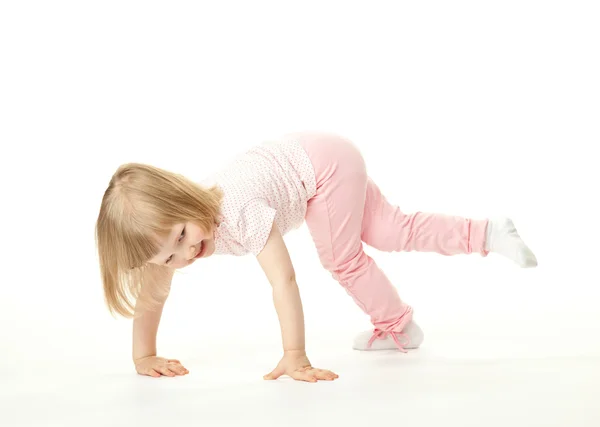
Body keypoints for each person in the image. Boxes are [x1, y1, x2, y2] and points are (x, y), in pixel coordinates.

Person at [95, 131, 538, 383]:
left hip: (322, 172)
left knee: (341, 259)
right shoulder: (175, 241)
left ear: (185, 199)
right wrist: (143, 356)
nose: (187, 254)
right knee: (391, 229)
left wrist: (295, 355)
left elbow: (283, 281)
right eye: (170, 257)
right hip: (326, 154)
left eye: (183, 236)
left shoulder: (237, 212)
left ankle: (398, 325)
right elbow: (152, 291)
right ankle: (487, 233)